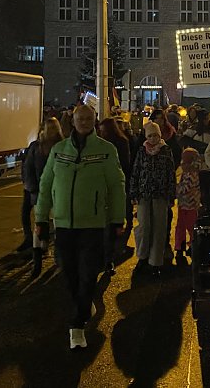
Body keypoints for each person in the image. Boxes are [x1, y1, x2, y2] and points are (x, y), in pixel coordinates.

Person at [34, 105, 126, 350]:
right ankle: (84, 304)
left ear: (94, 121)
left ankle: (77, 324)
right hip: (63, 224)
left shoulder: (106, 151)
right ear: (72, 121)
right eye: (80, 118)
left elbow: (117, 187)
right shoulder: (59, 150)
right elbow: (45, 185)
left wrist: (118, 219)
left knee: (87, 274)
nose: (84, 122)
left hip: (93, 224)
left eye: (88, 118)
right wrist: (41, 218)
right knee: (69, 272)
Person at [19, 118, 64, 277]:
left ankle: (40, 259)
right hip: (52, 194)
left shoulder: (41, 147)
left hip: (44, 194)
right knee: (55, 226)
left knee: (44, 225)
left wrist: (32, 190)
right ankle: (50, 258)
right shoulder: (61, 146)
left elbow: (28, 170)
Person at [131, 121, 176, 276]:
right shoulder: (142, 151)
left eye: (155, 135)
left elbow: (170, 173)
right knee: (144, 227)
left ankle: (155, 262)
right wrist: (133, 192)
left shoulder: (166, 151)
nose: (152, 139)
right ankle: (142, 257)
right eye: (149, 136)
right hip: (144, 193)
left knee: (159, 228)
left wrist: (171, 194)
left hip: (160, 194)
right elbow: (136, 171)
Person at [98, 118, 132, 274]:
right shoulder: (100, 143)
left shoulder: (118, 143)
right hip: (102, 188)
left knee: (111, 225)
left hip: (114, 186)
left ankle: (109, 258)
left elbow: (124, 165)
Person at [174, 147, 201, 264]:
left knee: (188, 228)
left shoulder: (191, 173)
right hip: (186, 205)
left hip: (189, 205)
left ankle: (188, 247)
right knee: (184, 227)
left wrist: (175, 188)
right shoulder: (189, 172)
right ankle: (183, 247)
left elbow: (185, 188)